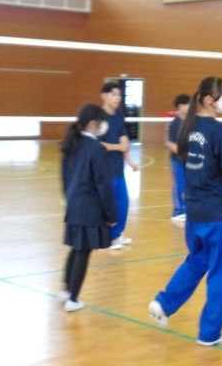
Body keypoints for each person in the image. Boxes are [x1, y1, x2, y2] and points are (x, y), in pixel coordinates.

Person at [148, 76, 222, 346]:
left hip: (194, 211)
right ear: (209, 99)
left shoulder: (188, 128)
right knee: (221, 272)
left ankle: (163, 303)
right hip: (217, 214)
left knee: (197, 260)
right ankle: (209, 333)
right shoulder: (220, 131)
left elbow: (185, 164)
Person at [59, 103, 117, 312]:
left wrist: (70, 200)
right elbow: (104, 185)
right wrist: (111, 215)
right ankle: (73, 299)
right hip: (89, 209)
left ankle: (66, 290)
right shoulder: (96, 149)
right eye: (101, 122)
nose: (103, 126)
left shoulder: (72, 144)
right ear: (93, 124)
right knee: (83, 252)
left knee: (76, 249)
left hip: (74, 206)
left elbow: (65, 179)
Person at [99, 81, 139, 250]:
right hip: (103, 169)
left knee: (123, 203)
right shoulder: (98, 117)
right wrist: (117, 146)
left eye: (119, 95)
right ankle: (106, 238)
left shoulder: (119, 116)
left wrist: (129, 160)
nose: (117, 98)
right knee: (108, 205)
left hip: (118, 169)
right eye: (113, 94)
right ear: (104, 96)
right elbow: (97, 144)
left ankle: (116, 234)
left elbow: (125, 142)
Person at [166, 93, 190, 222]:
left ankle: (186, 210)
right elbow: (170, 143)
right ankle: (177, 212)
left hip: (188, 160)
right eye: (187, 104)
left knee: (187, 185)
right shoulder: (175, 124)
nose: (190, 107)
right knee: (179, 185)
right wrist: (182, 151)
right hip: (177, 160)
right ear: (180, 106)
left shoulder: (190, 122)